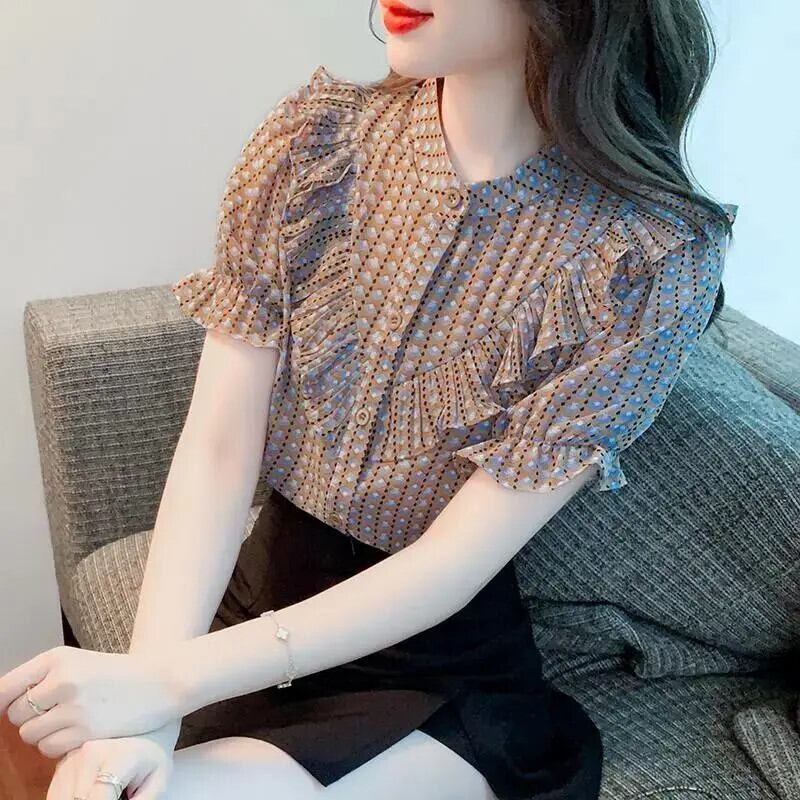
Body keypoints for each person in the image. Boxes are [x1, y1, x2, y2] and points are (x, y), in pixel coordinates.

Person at [0, 1, 737, 798]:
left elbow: (451, 563)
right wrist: (148, 703)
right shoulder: (313, 142)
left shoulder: (649, 257)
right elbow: (217, 451)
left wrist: (166, 684)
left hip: (430, 668)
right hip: (252, 600)